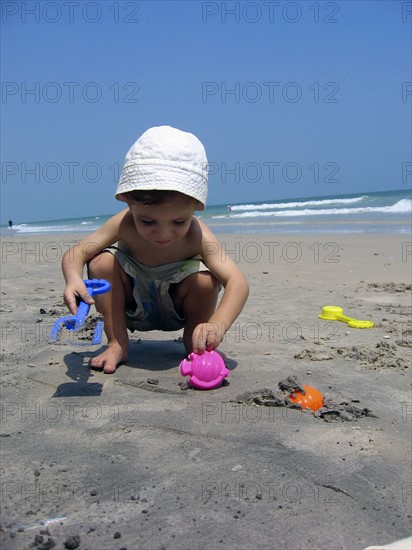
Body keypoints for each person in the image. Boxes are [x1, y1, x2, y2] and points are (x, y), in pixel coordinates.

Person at [61, 126, 249, 374]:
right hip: (130, 307)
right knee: (100, 263)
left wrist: (217, 325)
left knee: (205, 280)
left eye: (178, 222)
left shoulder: (198, 235)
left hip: (177, 307)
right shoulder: (124, 224)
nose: (163, 232)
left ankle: (197, 345)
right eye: (148, 221)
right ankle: (117, 343)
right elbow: (78, 252)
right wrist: (73, 278)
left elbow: (237, 282)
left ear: (197, 206)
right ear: (129, 202)